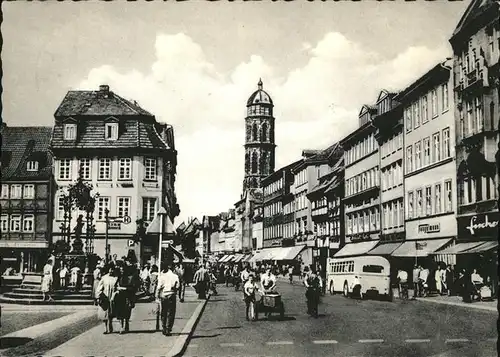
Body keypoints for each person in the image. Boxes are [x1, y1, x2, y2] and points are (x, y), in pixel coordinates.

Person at [156, 262, 179, 336]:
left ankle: (164, 328)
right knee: (171, 313)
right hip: (171, 295)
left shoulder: (161, 276)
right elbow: (178, 286)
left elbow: (159, 287)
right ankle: (168, 329)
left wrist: (157, 295)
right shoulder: (175, 276)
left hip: (164, 295)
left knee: (163, 312)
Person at [96, 266, 118, 334]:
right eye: (110, 269)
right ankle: (106, 328)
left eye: (112, 269)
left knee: (111, 313)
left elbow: (117, 287)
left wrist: (116, 294)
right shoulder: (104, 278)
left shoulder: (116, 278)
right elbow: (99, 288)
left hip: (112, 297)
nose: (111, 271)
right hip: (105, 297)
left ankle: (110, 325)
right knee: (105, 313)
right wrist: (99, 296)